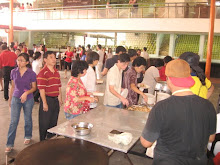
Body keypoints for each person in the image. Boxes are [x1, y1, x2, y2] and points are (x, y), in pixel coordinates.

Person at [140, 59, 216, 165]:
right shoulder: (208, 105)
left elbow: (145, 143)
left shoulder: (162, 107)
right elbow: (211, 138)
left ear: (169, 80)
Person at [5, 53, 37, 153]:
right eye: (18, 60)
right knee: (13, 121)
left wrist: (26, 93)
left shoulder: (31, 73)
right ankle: (9, 143)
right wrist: (10, 100)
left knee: (27, 118)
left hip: (28, 99)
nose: (19, 62)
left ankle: (27, 135)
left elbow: (34, 88)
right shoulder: (13, 72)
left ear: (27, 62)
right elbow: (13, 87)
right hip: (16, 98)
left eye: (22, 60)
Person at [37, 51, 63, 141]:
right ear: (45, 60)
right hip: (47, 100)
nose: (54, 59)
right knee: (44, 123)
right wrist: (44, 102)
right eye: (51, 57)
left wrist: (60, 99)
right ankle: (42, 142)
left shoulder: (56, 72)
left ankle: (50, 140)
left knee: (53, 122)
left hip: (55, 100)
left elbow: (58, 86)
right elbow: (42, 89)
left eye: (54, 57)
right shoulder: (42, 73)